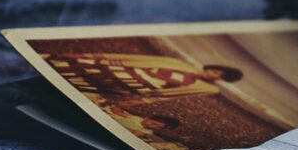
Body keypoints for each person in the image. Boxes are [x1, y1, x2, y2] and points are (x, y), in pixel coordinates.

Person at [42, 52, 243, 103]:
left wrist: (132, 101)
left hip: (127, 85)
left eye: (221, 77)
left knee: (78, 88)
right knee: (69, 69)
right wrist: (82, 57)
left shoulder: (205, 87)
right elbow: (130, 58)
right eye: (217, 71)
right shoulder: (180, 64)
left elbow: (164, 96)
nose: (215, 75)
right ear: (213, 67)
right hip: (115, 71)